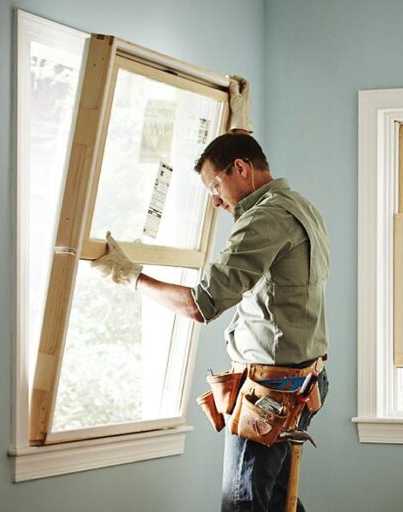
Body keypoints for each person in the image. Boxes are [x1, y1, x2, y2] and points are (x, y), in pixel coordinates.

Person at [91, 79, 330, 512]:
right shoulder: (298, 205)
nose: (215, 201)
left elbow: (200, 305)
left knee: (243, 505)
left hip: (271, 392)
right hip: (304, 379)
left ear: (241, 169)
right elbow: (240, 171)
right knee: (277, 501)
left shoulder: (264, 219)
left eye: (213, 187)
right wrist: (238, 127)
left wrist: (131, 276)